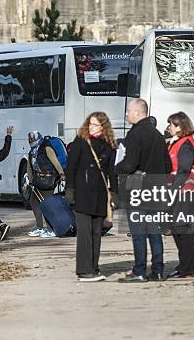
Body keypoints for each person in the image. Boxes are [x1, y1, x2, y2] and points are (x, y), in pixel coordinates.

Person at [115, 99, 171, 283]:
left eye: (128, 111)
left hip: (139, 191)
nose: (126, 114)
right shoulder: (157, 135)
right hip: (156, 189)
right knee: (154, 231)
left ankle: (140, 271)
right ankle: (158, 270)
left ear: (138, 112)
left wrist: (117, 167)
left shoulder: (135, 134)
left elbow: (130, 164)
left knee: (138, 232)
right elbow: (168, 165)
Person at [65, 112, 117, 282]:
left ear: (103, 126)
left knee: (96, 232)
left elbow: (112, 171)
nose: (91, 127)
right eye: (90, 124)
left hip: (100, 195)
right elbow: (71, 166)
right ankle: (83, 270)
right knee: (84, 234)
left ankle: (93, 267)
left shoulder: (109, 145)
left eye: (95, 125)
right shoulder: (81, 141)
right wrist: (70, 189)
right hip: (83, 193)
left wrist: (114, 192)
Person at [166, 112, 194, 279]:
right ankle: (184, 266)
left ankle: (187, 268)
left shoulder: (185, 144)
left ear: (179, 127)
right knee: (178, 228)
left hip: (185, 191)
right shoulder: (179, 142)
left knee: (182, 229)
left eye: (171, 124)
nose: (168, 127)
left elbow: (184, 169)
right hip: (183, 191)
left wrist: (173, 189)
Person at [27, 131, 64, 238]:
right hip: (38, 181)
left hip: (48, 180)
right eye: (30, 139)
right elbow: (29, 167)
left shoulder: (46, 148)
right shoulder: (33, 151)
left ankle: (51, 229)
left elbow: (55, 161)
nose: (31, 141)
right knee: (34, 202)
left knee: (47, 205)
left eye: (32, 139)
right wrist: (30, 180)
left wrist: (61, 173)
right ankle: (40, 227)